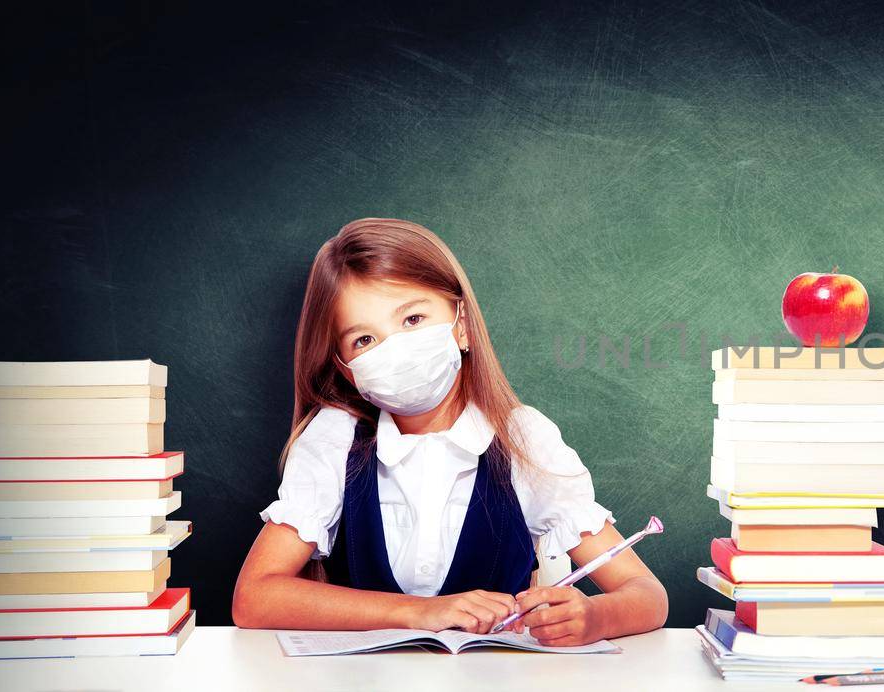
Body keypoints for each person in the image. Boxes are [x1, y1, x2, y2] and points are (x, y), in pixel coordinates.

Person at [233, 218, 667, 645]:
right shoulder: (335, 439)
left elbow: (647, 596)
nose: (395, 349)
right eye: (364, 340)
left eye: (413, 319)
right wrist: (421, 613)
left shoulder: (523, 439)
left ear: (461, 323)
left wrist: (594, 617)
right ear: (348, 370)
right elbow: (254, 598)